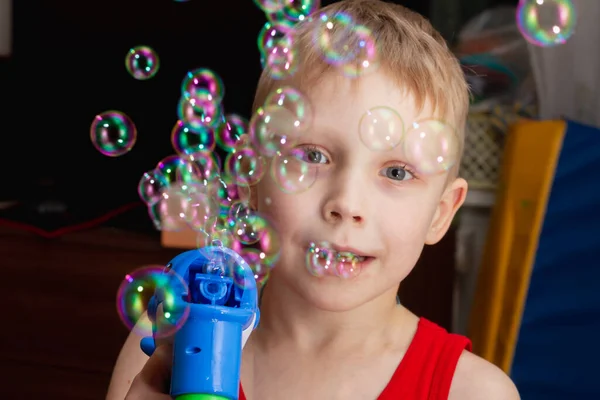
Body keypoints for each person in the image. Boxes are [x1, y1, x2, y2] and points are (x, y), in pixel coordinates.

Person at [109, 0, 521, 399]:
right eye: (312, 155)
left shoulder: (472, 393)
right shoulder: (171, 339)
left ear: (442, 212)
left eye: (397, 172)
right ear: (251, 176)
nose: (346, 202)